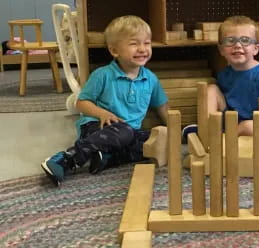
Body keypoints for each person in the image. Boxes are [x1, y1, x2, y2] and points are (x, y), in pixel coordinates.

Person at [41, 15, 168, 187]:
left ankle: (106, 158)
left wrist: (175, 129)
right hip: (97, 127)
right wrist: (102, 113)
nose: (142, 49)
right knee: (125, 132)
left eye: (146, 43)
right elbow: (81, 103)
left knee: (155, 141)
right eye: (134, 43)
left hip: (129, 133)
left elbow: (162, 107)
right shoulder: (102, 75)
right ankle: (67, 158)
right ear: (115, 51)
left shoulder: (150, 79)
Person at [182, 15, 259, 139]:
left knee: (246, 126)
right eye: (230, 41)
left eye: (245, 40)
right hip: (231, 122)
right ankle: (209, 129)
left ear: (255, 49)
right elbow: (224, 104)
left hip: (256, 125)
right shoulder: (224, 74)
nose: (237, 45)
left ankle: (220, 138)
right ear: (221, 50)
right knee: (211, 89)